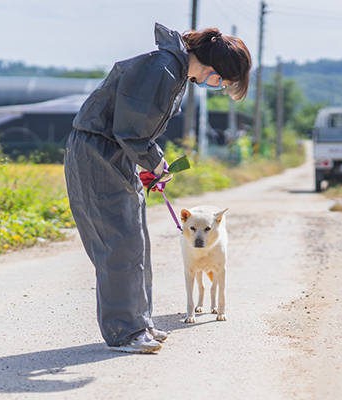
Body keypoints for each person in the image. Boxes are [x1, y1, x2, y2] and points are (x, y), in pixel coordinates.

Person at [64, 23, 252, 354]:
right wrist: (154, 161)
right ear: (214, 68)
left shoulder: (172, 70)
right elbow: (130, 129)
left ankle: (140, 322)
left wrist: (153, 161)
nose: (219, 86)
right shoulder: (162, 68)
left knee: (136, 240)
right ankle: (125, 332)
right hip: (96, 153)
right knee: (118, 244)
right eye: (222, 81)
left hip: (116, 155)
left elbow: (134, 133)